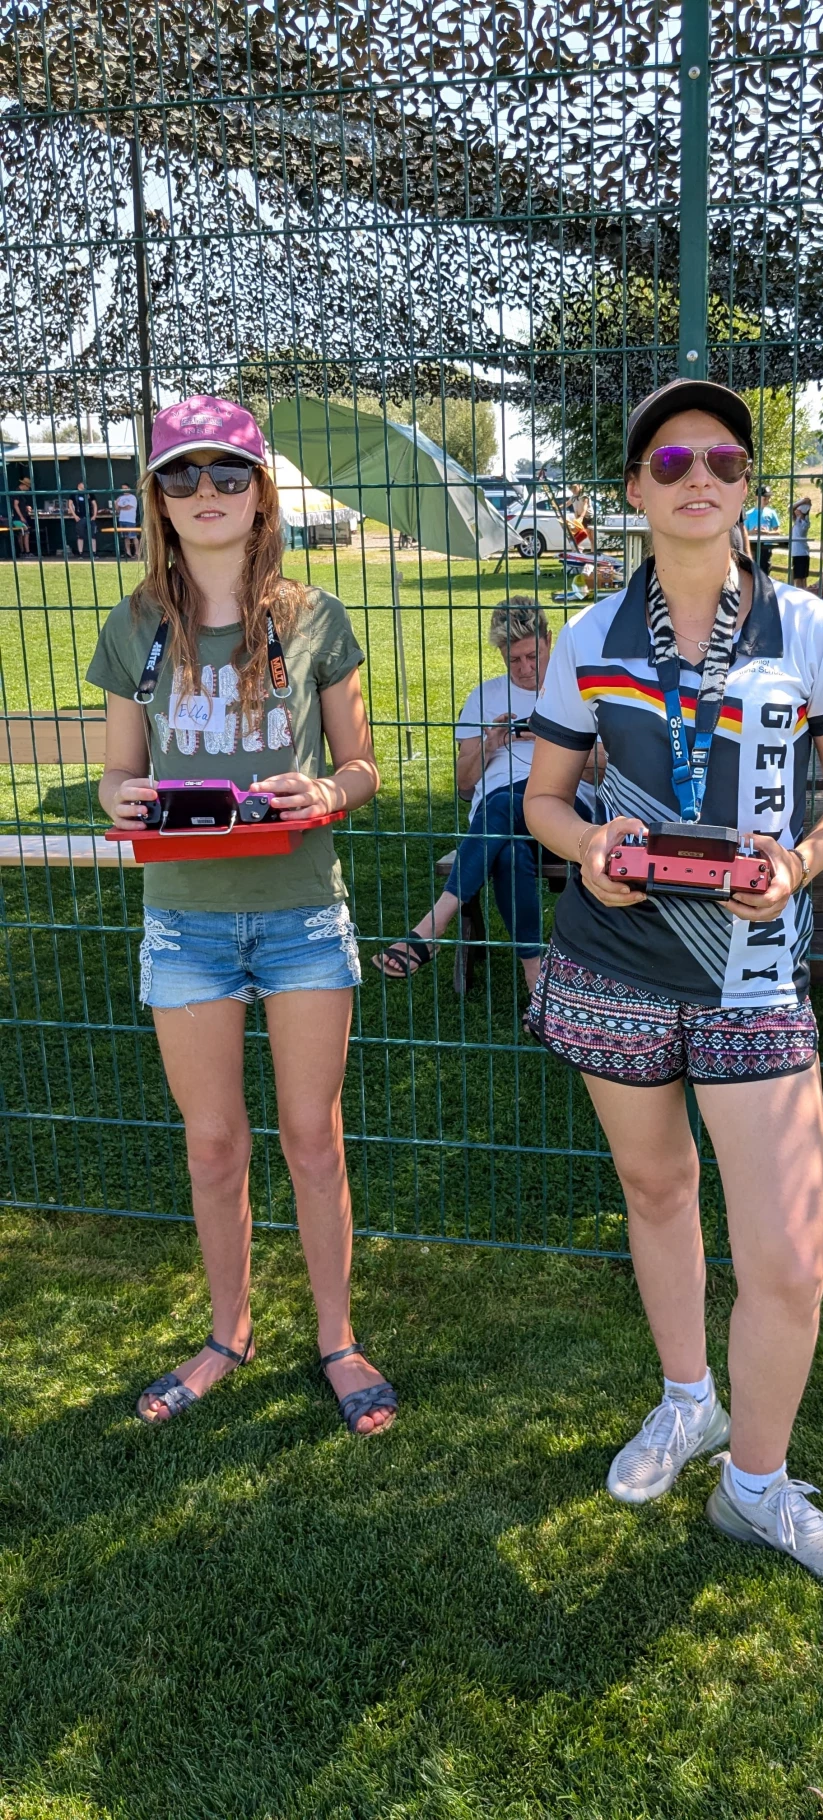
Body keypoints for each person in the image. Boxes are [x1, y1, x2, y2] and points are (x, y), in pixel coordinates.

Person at [524, 378, 823, 1593]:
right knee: (654, 1186)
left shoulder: (809, 626)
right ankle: (688, 1400)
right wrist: (588, 847)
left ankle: (756, 1485)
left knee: (786, 1254)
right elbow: (543, 798)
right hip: (614, 959)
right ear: (633, 488)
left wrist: (797, 863)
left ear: (746, 487)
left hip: (753, 971)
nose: (698, 479)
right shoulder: (589, 635)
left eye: (723, 460)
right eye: (671, 461)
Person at [89, 395, 396, 1437]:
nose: (206, 491)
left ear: (261, 493)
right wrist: (120, 799)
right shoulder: (134, 625)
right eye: (183, 475)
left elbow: (363, 765)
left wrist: (329, 790)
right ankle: (229, 1333)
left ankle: (337, 1339)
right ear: (158, 499)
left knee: (313, 1138)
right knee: (214, 1146)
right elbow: (115, 775)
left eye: (228, 473)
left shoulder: (315, 618)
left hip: (302, 912)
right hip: (186, 923)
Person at [373, 600, 598, 998]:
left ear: (549, 640)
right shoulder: (485, 696)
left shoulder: (576, 691)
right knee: (509, 850)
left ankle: (434, 924)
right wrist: (489, 745)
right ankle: (536, 979)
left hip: (564, 812)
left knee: (504, 804)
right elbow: (464, 785)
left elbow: (603, 771)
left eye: (532, 656)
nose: (524, 668)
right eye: (514, 660)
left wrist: (552, 739)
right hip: (496, 821)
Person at [744, 484, 780, 575]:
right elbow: (743, 532)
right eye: (765, 498)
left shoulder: (771, 513)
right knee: (751, 573)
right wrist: (751, 532)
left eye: (769, 498)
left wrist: (767, 533)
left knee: (764, 572)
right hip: (752, 547)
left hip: (765, 548)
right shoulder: (748, 514)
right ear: (756, 497)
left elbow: (778, 532)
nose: (767, 500)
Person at [69, 478, 98, 557]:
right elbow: (70, 504)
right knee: (80, 536)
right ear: (79, 485)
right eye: (83, 484)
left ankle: (94, 553)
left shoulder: (89, 493)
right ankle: (80, 553)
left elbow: (94, 504)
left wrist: (94, 515)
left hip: (90, 517)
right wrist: (75, 515)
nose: (85, 486)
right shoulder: (74, 493)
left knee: (93, 536)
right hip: (80, 517)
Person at [789, 495, 812, 584]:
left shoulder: (803, 522)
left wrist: (803, 502)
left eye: (797, 509)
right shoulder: (799, 520)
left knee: (799, 579)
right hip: (799, 554)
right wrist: (804, 502)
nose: (795, 510)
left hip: (800, 554)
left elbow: (791, 508)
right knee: (801, 578)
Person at [115, 480, 140, 558]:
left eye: (125, 488)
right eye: (122, 489)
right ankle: (128, 553)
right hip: (122, 519)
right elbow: (117, 509)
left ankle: (137, 553)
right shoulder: (120, 498)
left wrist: (120, 507)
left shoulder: (132, 497)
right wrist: (117, 505)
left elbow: (129, 507)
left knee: (133, 536)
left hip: (130, 520)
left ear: (129, 488)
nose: (124, 490)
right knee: (126, 537)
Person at [11, 477, 33, 557]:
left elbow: (19, 505)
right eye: (28, 487)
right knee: (25, 533)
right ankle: (26, 552)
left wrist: (26, 508)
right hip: (18, 518)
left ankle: (23, 552)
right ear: (24, 485)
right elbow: (15, 505)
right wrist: (21, 517)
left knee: (22, 533)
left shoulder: (20, 493)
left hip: (21, 517)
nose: (28, 489)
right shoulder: (17, 492)